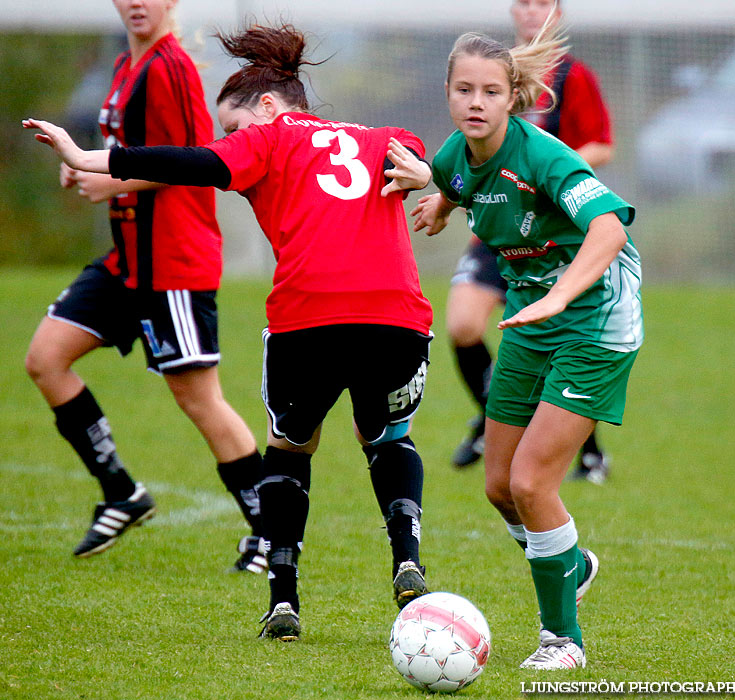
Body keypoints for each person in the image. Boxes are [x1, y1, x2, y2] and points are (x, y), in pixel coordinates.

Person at [24, 21, 435, 642]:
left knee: (290, 450)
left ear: (269, 107)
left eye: (236, 125)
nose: (232, 140)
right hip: (397, 318)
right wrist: (428, 175)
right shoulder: (381, 136)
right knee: (387, 435)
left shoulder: (265, 140)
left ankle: (284, 600)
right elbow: (427, 154)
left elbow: (189, 161)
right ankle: (406, 558)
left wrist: (90, 158)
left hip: (309, 317)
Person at [411, 18, 642, 669]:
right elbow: (456, 182)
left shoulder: (544, 154)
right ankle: (571, 562)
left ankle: (562, 642)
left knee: (534, 482)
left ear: (514, 98)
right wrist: (439, 207)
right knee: (498, 485)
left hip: (595, 319)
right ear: (450, 94)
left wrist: (562, 294)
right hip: (529, 318)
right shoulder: (455, 154)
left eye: (490, 91)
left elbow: (608, 230)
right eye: (465, 90)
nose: (477, 102)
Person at [23, 0, 267, 574]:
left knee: (199, 399)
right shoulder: (126, 64)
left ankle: (272, 531)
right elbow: (117, 150)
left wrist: (107, 180)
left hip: (173, 262)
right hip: (128, 260)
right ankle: (121, 492)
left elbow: (194, 160)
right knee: (45, 360)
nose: (136, 2)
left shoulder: (170, 66)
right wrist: (80, 165)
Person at [447, 0, 614, 485]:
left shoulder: (572, 77)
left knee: (558, 347)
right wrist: (444, 196)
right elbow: (465, 157)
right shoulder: (486, 74)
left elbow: (601, 144)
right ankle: (491, 419)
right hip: (497, 232)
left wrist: (542, 171)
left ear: (558, 12)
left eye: (542, 2)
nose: (532, 12)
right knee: (461, 324)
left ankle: (588, 448)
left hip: (550, 237)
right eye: (524, 2)